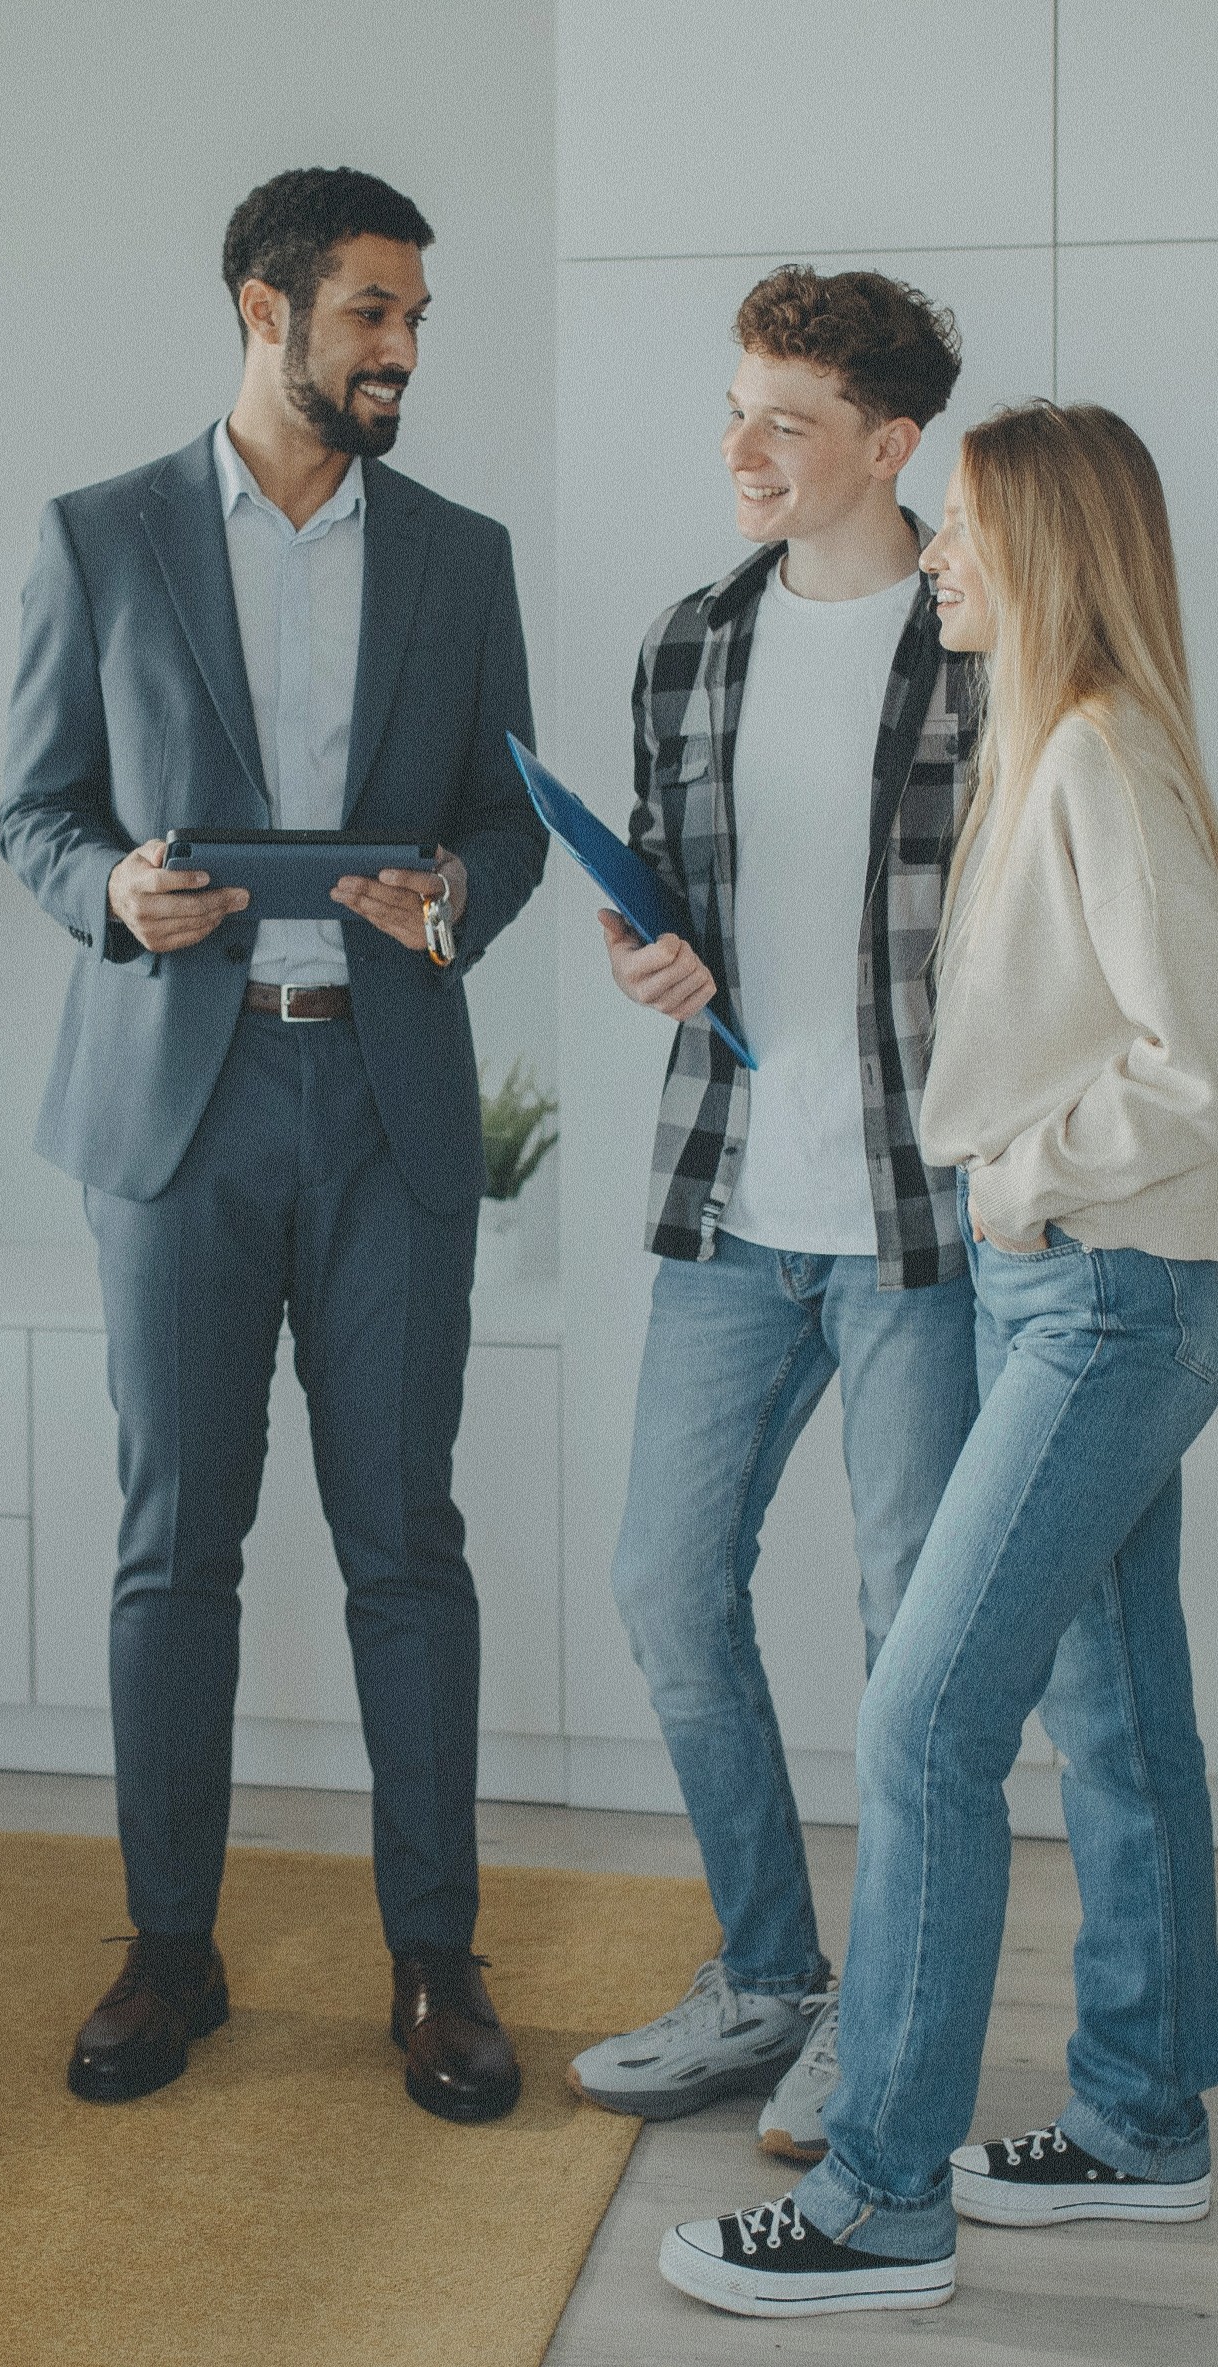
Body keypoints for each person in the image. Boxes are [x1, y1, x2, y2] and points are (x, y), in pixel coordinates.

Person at [0, 166, 546, 2120]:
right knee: (173, 1542)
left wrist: (452, 899)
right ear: (265, 309)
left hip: (386, 1104)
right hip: (175, 1107)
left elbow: (507, 811)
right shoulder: (103, 535)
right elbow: (34, 806)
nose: (400, 348)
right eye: (370, 312)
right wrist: (113, 892)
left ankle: (435, 1961)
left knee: (407, 1543)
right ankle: (168, 1947)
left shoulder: (460, 555)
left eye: (412, 315)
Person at [664, 401, 1218, 2317]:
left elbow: (1204, 1057)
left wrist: (1017, 1182)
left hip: (1101, 1289)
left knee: (921, 1727)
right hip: (1090, 1285)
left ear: (1046, 552)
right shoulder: (1052, 746)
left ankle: (880, 2199)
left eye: (967, 531)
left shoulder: (1095, 760)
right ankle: (1148, 2119)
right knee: (1124, 1712)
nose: (940, 558)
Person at [568, 270, 980, 2160]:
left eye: (790, 418)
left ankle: (880, 2032)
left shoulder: (988, 634)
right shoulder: (690, 641)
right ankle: (769, 1980)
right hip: (736, 1203)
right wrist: (649, 955)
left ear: (893, 447)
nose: (743, 448)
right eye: (736, 406)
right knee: (666, 1583)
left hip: (926, 1226)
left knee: (915, 1646)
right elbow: (678, 903)